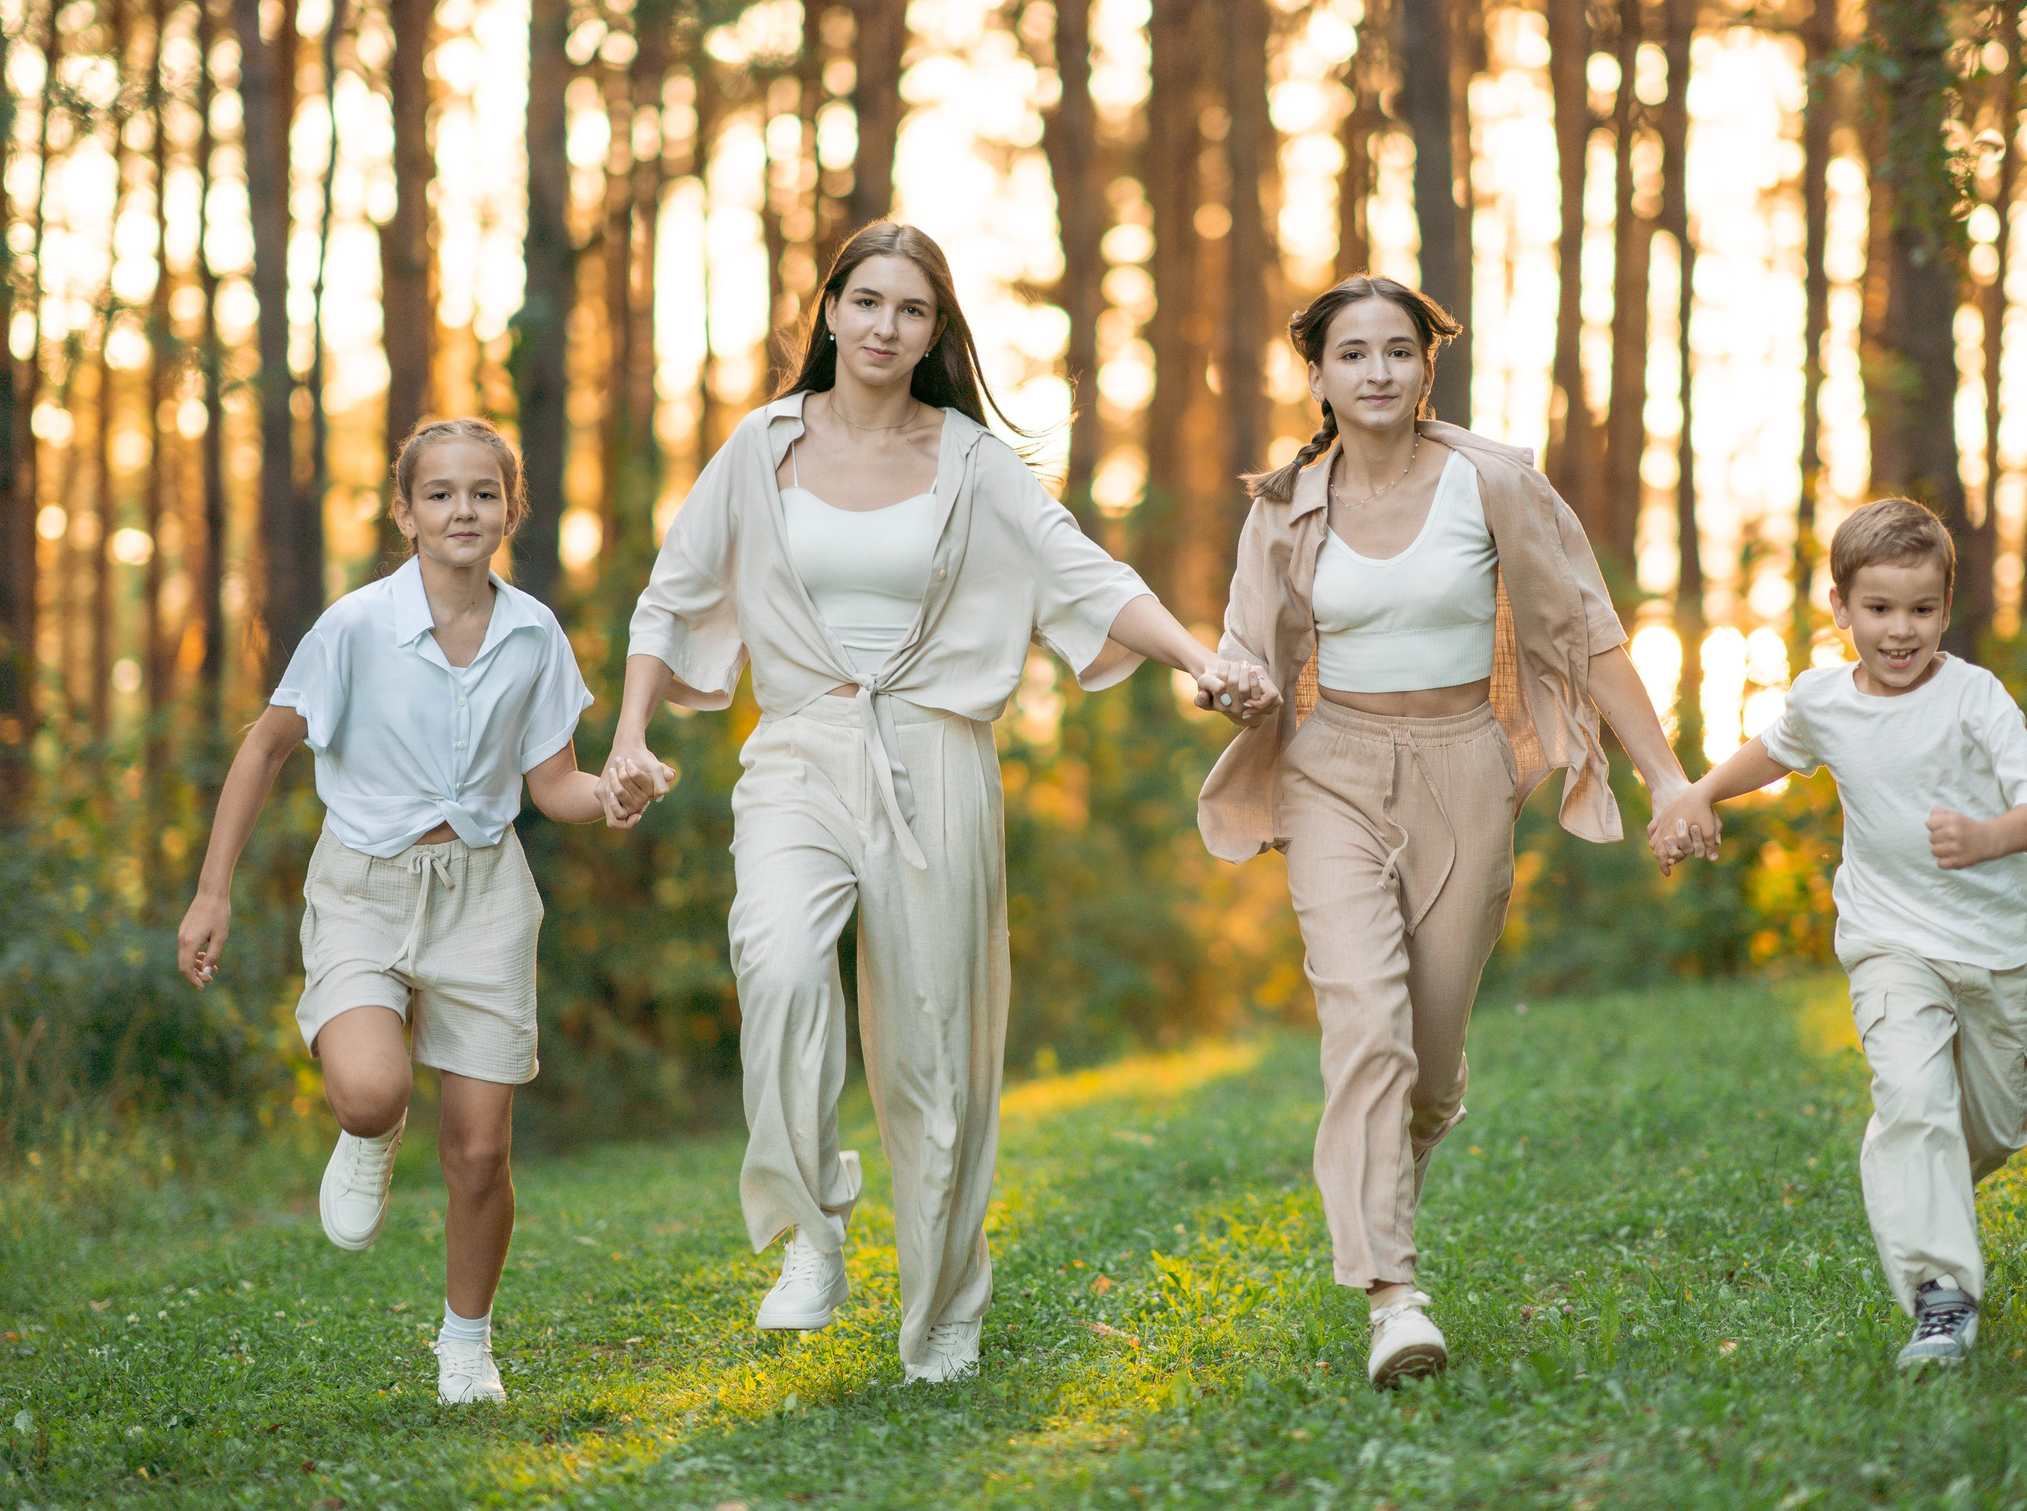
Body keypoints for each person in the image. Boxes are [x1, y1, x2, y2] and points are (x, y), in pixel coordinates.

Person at [605, 221, 1269, 1385]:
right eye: (865, 301)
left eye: (910, 311)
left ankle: (946, 1307)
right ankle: (812, 1230)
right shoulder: (758, 448)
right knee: (776, 962)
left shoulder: (968, 460)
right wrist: (626, 740)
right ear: (827, 311)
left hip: (936, 753)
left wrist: (1199, 659)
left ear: (933, 332)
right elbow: (668, 599)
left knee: (936, 1048)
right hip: (802, 746)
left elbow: (1084, 576)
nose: (883, 326)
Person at [1198, 274, 1701, 1389]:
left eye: (1396, 351)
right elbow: (1243, 644)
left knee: (1425, 1060)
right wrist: (1229, 687)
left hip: (1469, 768)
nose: (1376, 371)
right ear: (1319, 375)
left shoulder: (1494, 484)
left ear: (1428, 366)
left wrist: (1667, 776)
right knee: (1365, 1025)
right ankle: (1393, 1293)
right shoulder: (1285, 502)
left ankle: (1382, 1193)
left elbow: (1590, 630)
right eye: (1351, 354)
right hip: (1332, 768)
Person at [176, 417, 635, 1406]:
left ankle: (465, 1345)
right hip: (364, 887)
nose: (462, 509)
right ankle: (370, 1136)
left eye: (482, 492)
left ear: (512, 508)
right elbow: (263, 748)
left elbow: (551, 781)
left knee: (479, 1147)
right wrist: (212, 892)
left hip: (484, 895)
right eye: (440, 493)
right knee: (372, 1089)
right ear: (405, 512)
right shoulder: (354, 627)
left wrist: (612, 794)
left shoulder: (533, 634)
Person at [1649, 496, 2027, 1371]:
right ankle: (1940, 1299)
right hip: (1889, 942)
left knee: (1989, 1128)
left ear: (1946, 610)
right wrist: (1696, 792)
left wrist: (1989, 836)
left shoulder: (1973, 697)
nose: (1900, 630)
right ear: (1841, 608)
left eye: (1921, 609)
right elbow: (1774, 746)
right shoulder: (1822, 699)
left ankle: (1919, 1185)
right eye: (1878, 609)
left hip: (1993, 945)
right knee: (1914, 1106)